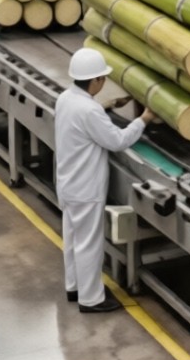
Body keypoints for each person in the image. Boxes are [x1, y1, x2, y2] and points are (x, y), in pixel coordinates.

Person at [56, 48, 154, 313]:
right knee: (90, 244)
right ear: (96, 81)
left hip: (68, 183)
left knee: (74, 239)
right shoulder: (89, 110)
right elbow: (117, 140)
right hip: (86, 188)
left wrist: (107, 106)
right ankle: (91, 299)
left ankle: (74, 287)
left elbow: (86, 117)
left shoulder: (65, 99)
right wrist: (143, 119)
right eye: (102, 78)